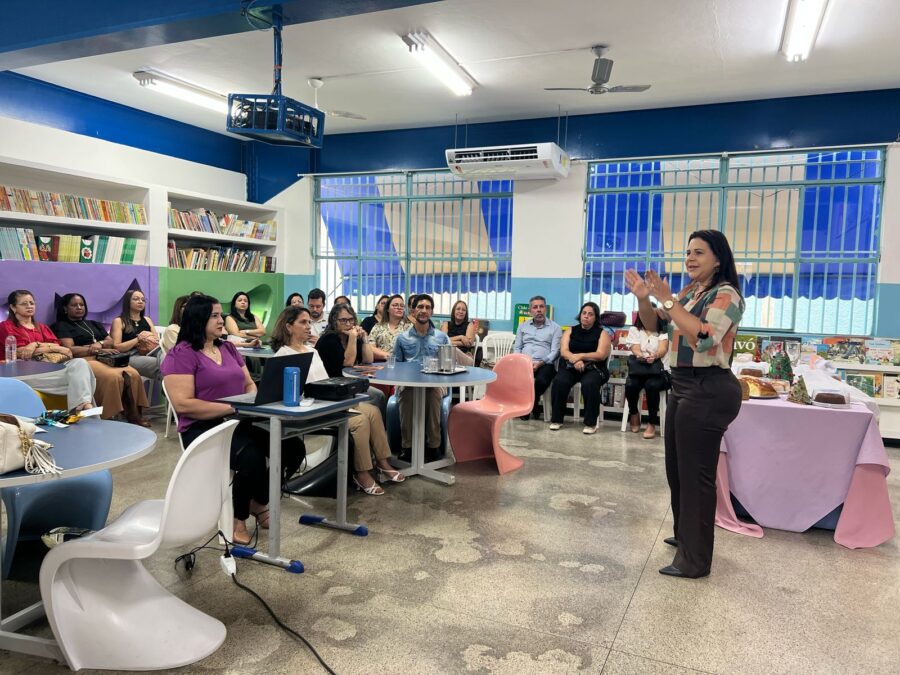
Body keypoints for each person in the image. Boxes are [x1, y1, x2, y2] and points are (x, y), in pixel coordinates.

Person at [625, 229, 744, 579]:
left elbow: (704, 338)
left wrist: (669, 301)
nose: (690, 258)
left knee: (697, 477)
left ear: (718, 258)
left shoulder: (727, 294)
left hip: (709, 388)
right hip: (682, 385)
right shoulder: (691, 291)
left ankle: (695, 561)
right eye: (688, 252)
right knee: (677, 471)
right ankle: (685, 536)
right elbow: (653, 326)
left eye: (699, 253)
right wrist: (645, 299)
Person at [161, 294, 304, 546]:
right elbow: (184, 404)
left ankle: (258, 502)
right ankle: (238, 519)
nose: (221, 320)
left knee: (293, 447)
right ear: (198, 319)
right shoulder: (180, 355)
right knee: (252, 458)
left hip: (239, 418)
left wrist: (254, 403)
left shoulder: (227, 348)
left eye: (220, 315)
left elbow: (249, 383)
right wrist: (231, 407)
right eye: (214, 316)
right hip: (203, 427)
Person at [271, 306, 404, 495]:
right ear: (288, 327)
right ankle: (362, 472)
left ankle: (382, 462)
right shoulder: (283, 355)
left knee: (372, 412)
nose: (309, 326)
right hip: (309, 409)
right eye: (303, 322)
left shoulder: (311, 351)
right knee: (359, 421)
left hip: (325, 401)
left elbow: (325, 382)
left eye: (309, 322)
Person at [52, 293, 150, 426]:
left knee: (133, 374)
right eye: (74, 305)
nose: (79, 307)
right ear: (65, 308)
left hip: (106, 357)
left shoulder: (94, 323)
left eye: (82, 305)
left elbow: (111, 342)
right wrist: (98, 348)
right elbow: (70, 350)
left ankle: (134, 414)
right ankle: (107, 416)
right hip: (84, 361)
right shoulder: (61, 326)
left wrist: (100, 345)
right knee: (114, 376)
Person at [0, 290, 95, 411]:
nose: (29, 306)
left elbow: (63, 349)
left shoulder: (42, 327)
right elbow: (21, 352)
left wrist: (35, 344)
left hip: (48, 372)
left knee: (80, 364)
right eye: (24, 304)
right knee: (80, 381)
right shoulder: (6, 326)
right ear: (13, 307)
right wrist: (49, 347)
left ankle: (82, 405)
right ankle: (85, 409)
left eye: (32, 303)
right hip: (22, 375)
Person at [393, 294, 450, 459]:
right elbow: (396, 366)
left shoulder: (441, 337)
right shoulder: (402, 338)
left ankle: (433, 445)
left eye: (427, 307)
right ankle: (408, 447)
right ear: (412, 310)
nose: (423, 311)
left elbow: (447, 366)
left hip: (435, 382)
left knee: (432, 394)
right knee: (405, 393)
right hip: (408, 383)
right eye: (420, 307)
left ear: (432, 312)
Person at [549, 301, 611, 434]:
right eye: (584, 313)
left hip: (594, 368)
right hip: (571, 366)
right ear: (580, 315)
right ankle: (557, 419)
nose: (586, 316)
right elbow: (564, 351)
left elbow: (600, 355)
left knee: (589, 383)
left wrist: (580, 356)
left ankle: (590, 423)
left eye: (590, 314)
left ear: (595, 317)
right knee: (560, 381)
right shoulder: (570, 330)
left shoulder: (602, 333)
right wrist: (574, 359)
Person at [314, 303, 386, 415]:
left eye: (351, 320)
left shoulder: (351, 337)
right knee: (375, 397)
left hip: (349, 383)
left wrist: (364, 338)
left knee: (379, 395)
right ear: (334, 322)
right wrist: (352, 337)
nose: (348, 323)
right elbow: (347, 363)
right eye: (343, 320)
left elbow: (368, 360)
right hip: (332, 387)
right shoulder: (329, 339)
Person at [513, 295, 562, 420]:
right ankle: (533, 405)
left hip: (545, 364)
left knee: (542, 381)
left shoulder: (555, 328)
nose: (538, 310)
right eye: (535, 307)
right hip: (524, 363)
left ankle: (530, 404)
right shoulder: (522, 326)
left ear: (545, 309)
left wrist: (540, 363)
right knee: (516, 380)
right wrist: (523, 362)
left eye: (541, 307)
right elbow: (517, 348)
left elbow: (555, 351)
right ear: (530, 311)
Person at [624, 314, 670, 439]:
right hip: (639, 369)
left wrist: (655, 356)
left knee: (652, 386)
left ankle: (652, 422)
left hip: (659, 371)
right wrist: (641, 355)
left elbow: (663, 349)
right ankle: (633, 413)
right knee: (631, 384)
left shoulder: (663, 332)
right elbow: (635, 348)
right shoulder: (635, 330)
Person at [110, 289, 160, 381]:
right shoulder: (119, 321)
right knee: (161, 365)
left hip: (150, 351)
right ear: (128, 302)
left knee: (170, 359)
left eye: (143, 300)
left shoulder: (147, 319)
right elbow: (116, 347)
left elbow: (156, 340)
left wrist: (148, 339)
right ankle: (173, 391)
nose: (140, 301)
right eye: (136, 299)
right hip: (130, 356)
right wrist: (138, 339)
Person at [368, 294, 411, 361]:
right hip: (380, 365)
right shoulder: (378, 326)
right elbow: (370, 349)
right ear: (387, 309)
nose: (399, 307)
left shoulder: (410, 327)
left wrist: (379, 352)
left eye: (402, 306)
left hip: (402, 365)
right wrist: (390, 356)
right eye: (395, 305)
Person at [440, 299, 478, 365]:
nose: (461, 311)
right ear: (454, 311)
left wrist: (449, 343)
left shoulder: (470, 325)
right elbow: (442, 341)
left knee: (451, 349)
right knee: (447, 350)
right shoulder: (445, 324)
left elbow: (468, 343)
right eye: (458, 309)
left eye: (463, 310)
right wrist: (461, 337)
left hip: (465, 355)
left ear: (466, 313)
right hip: (447, 356)